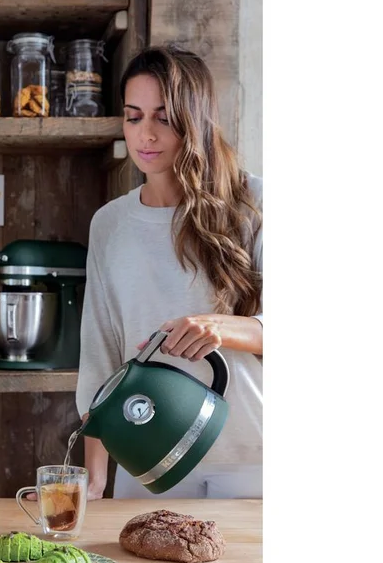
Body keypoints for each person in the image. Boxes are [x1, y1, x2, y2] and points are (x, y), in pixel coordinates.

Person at [76, 45, 263, 500]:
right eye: (134, 116)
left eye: (164, 117)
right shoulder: (110, 224)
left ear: (195, 120)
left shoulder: (254, 204)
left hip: (252, 457)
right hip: (148, 460)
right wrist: (96, 478)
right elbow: (101, 355)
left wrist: (216, 328)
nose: (146, 134)